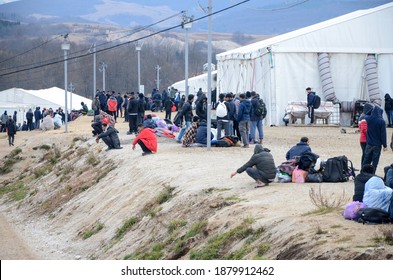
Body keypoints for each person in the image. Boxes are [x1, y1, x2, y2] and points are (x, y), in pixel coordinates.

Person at [362, 106, 387, 171]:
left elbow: (366, 114)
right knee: (375, 162)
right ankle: (372, 173)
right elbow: (383, 134)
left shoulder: (368, 119)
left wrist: (372, 110)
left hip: (369, 144)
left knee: (366, 160)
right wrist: (385, 145)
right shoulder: (382, 121)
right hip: (377, 145)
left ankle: (363, 173)